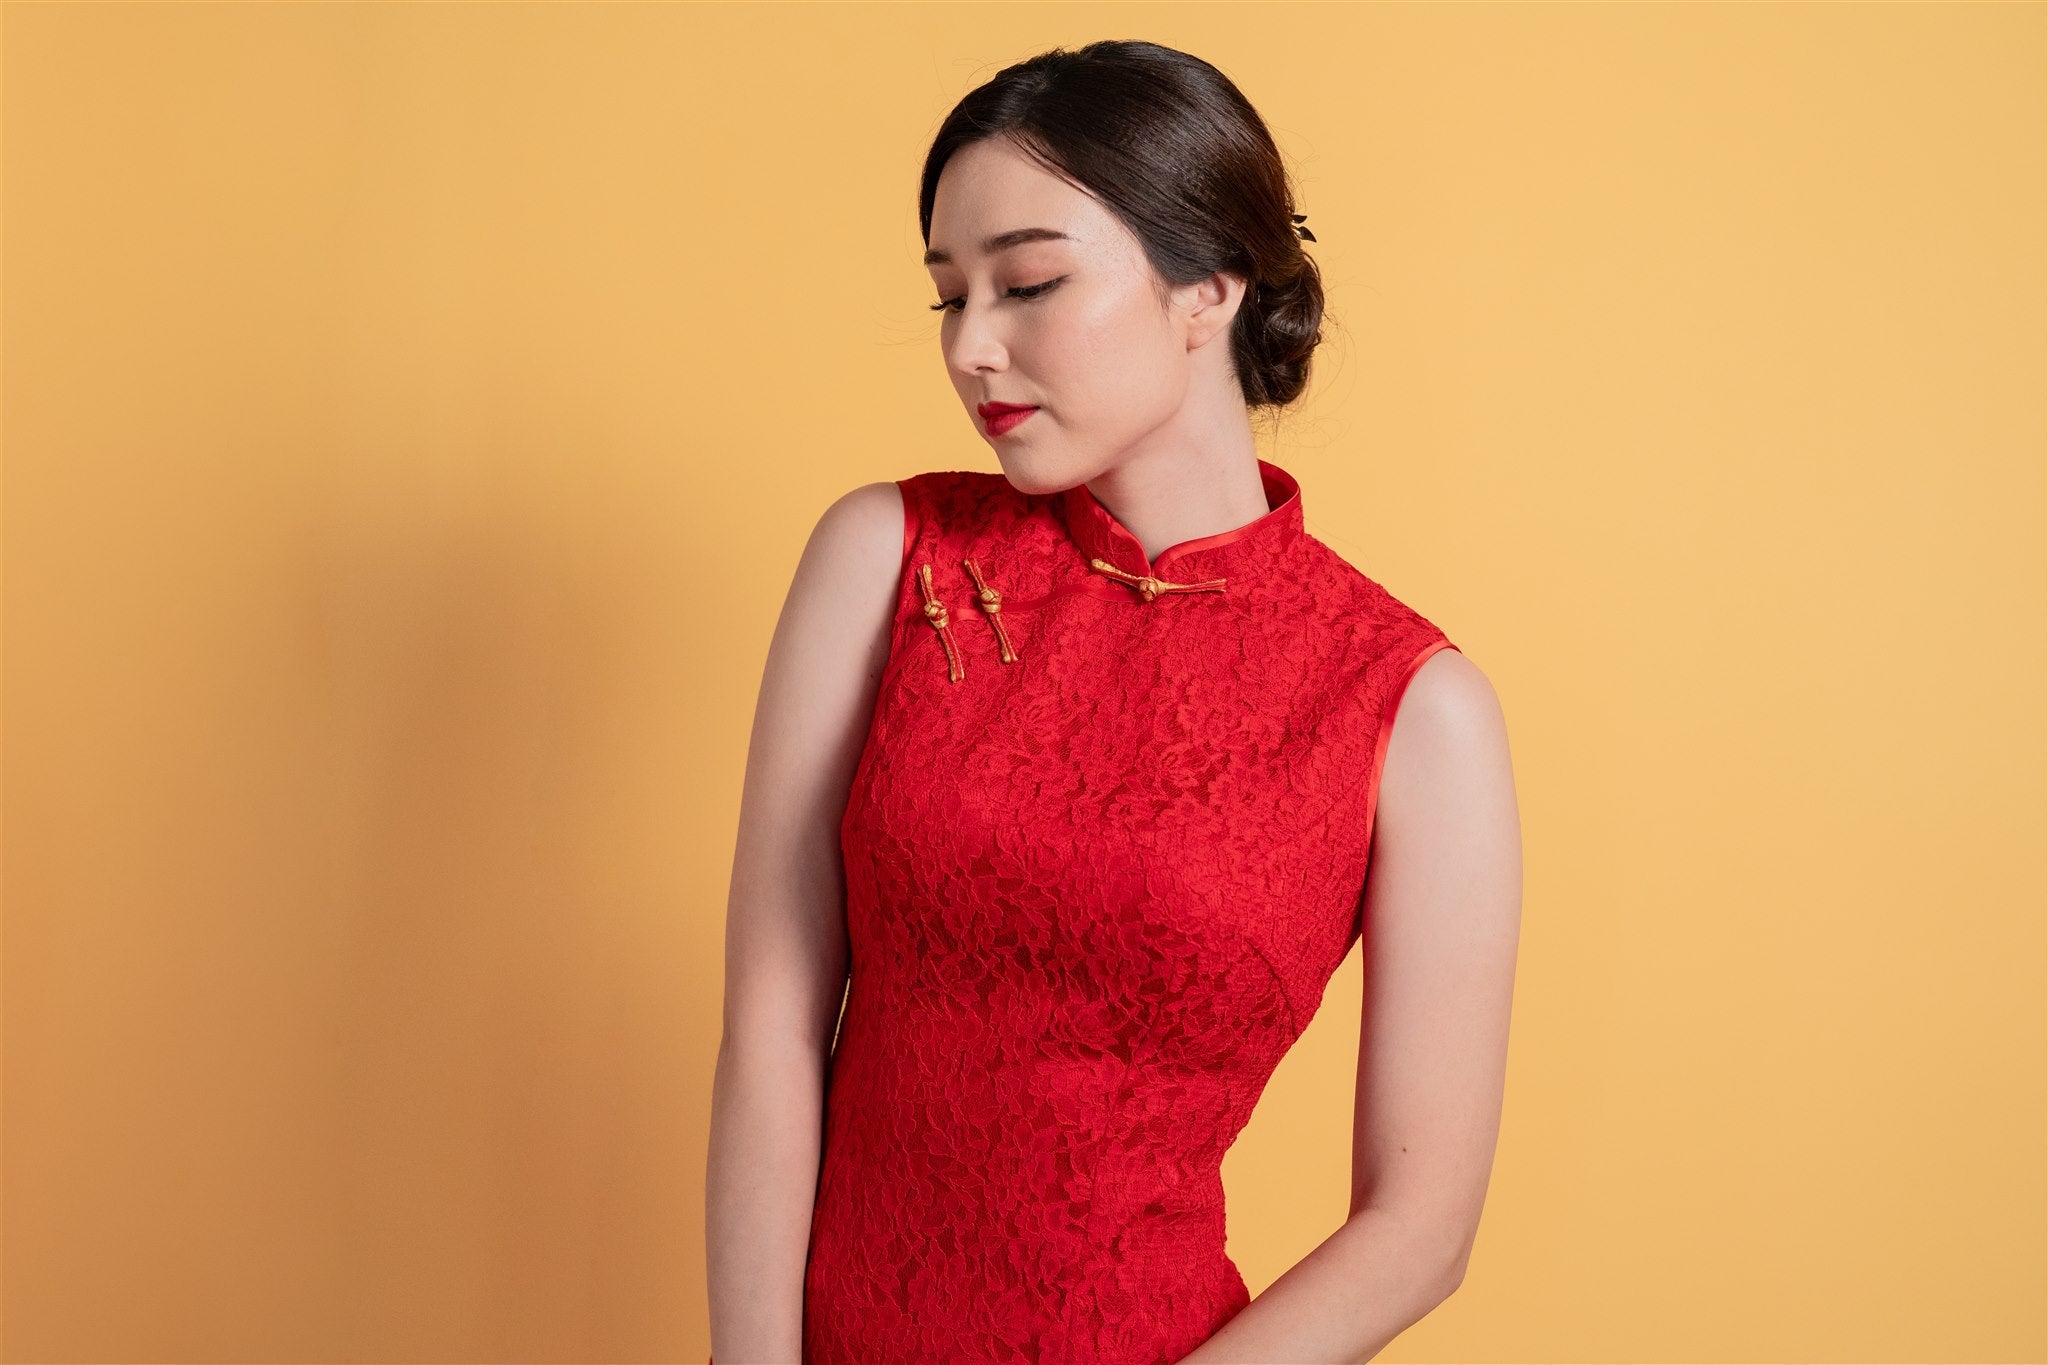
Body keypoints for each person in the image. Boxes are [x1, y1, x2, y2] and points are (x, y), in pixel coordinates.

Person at [705, 38, 1522, 1365]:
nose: (975, 348)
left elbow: (1422, 1224)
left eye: (1028, 283)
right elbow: (773, 1021)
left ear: (1208, 285)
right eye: (947, 297)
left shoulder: (1407, 706)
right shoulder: (887, 558)